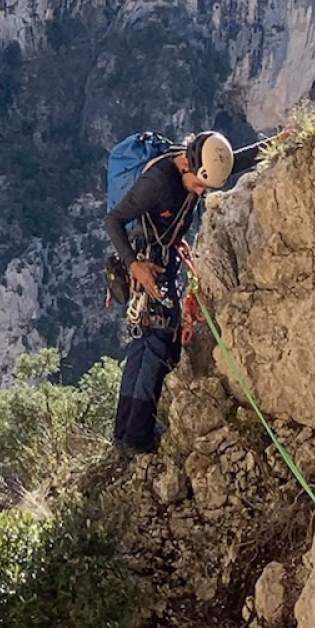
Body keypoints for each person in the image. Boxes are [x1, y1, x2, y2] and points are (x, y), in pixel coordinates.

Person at [104, 131, 235, 453]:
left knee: (146, 344)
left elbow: (235, 160)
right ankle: (137, 436)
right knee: (156, 342)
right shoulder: (159, 183)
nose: (202, 192)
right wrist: (134, 265)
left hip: (162, 260)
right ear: (189, 164)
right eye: (200, 185)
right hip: (147, 264)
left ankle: (125, 432)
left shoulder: (196, 165)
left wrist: (276, 143)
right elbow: (114, 220)